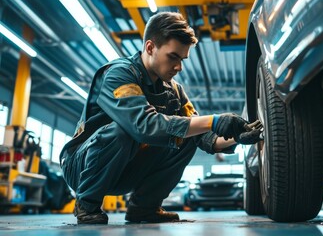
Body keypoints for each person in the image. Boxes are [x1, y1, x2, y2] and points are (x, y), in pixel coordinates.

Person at [59, 12, 262, 225]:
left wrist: (237, 137)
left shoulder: (174, 91)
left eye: (182, 59)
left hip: (125, 169)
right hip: (82, 168)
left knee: (188, 134)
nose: (179, 67)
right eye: (173, 57)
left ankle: (144, 209)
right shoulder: (118, 74)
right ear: (150, 47)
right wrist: (214, 120)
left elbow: (203, 136)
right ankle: (87, 204)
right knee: (122, 131)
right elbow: (143, 126)